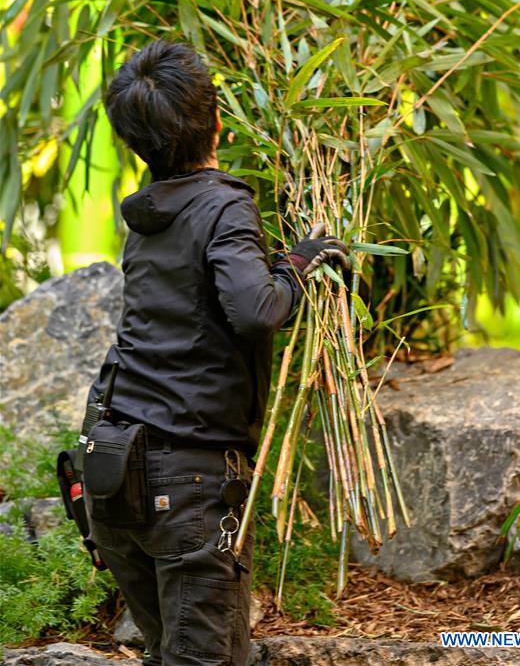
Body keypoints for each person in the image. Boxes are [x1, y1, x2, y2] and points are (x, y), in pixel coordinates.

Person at [83, 40, 350, 666]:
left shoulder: (148, 219)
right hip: (188, 482)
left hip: (116, 471)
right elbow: (256, 312)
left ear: (135, 143)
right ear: (219, 123)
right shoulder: (222, 203)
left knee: (172, 651)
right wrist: (297, 264)